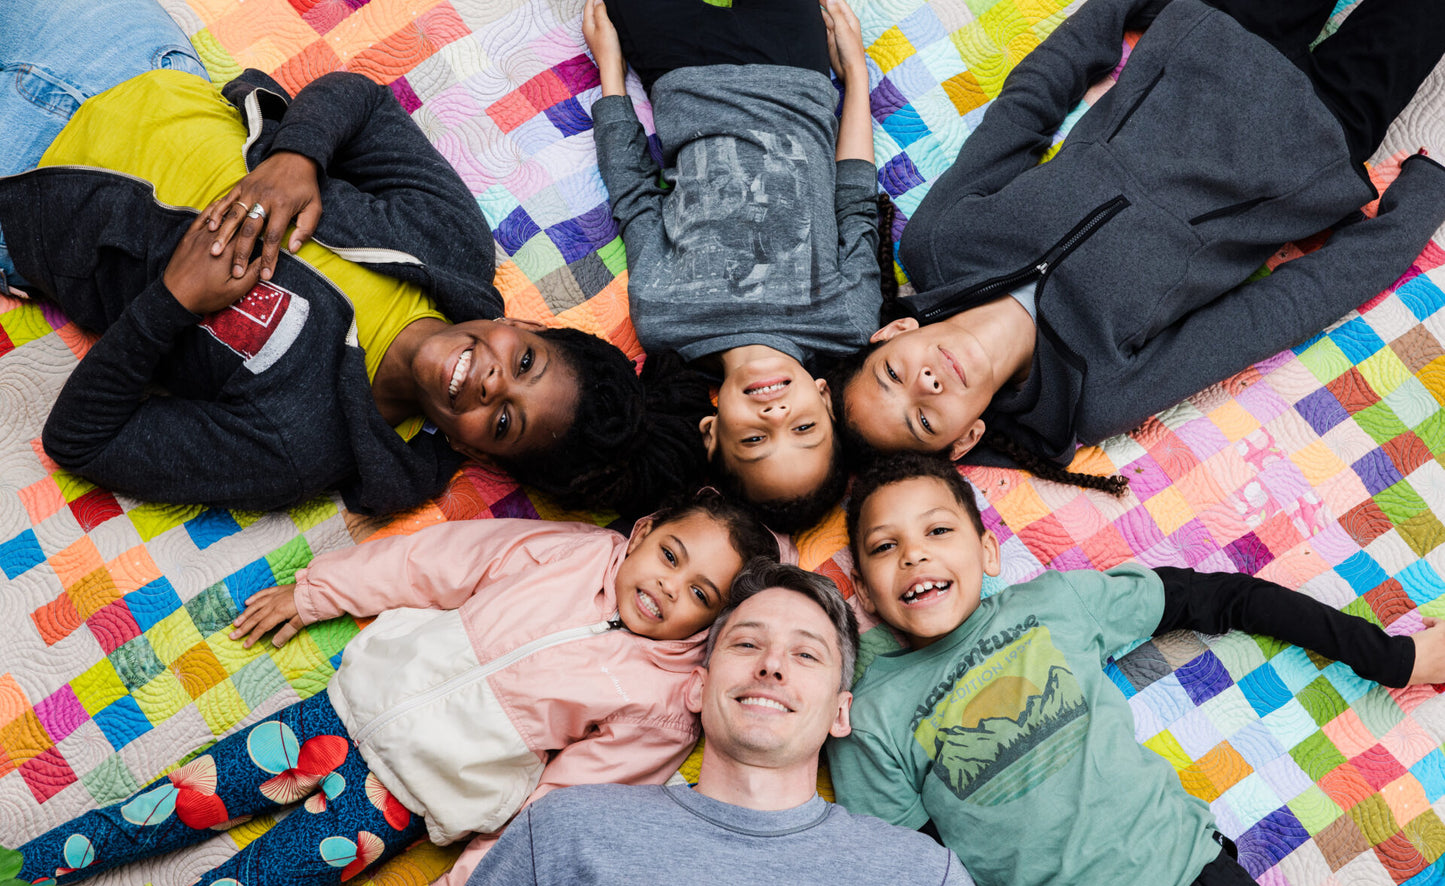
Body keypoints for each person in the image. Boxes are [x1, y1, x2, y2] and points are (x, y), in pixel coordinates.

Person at [0, 0, 711, 517]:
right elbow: (363, 102)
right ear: (524, 328)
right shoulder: (450, 244)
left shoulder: (297, 447)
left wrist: (172, 303)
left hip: (22, 193)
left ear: (476, 454)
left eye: (504, 423)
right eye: (524, 363)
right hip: (118, 54)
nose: (493, 383)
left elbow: (81, 440)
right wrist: (297, 157)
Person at [13, 492, 778, 886]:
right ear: (642, 530)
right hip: (334, 716)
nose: (667, 587)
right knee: (161, 808)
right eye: (670, 554)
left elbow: (562, 809)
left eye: (698, 593)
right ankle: (17, 878)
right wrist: (318, 591)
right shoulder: (567, 551)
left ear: (714, 623)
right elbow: (431, 561)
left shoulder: (663, 702)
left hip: (398, 803)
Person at [828, 454, 1445, 886]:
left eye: (938, 530)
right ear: (865, 592)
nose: (914, 555)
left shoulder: (1054, 603)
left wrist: (1396, 659)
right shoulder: (869, 716)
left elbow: (1226, 596)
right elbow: (914, 879)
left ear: (988, 552)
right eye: (885, 546)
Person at [832, 0, 1445, 491]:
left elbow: (1026, 108)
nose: (926, 383)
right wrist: (1419, 203)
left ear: (893, 333)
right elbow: (1275, 312)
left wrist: (1116, 8)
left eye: (892, 374)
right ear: (964, 439)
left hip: (1213, 39)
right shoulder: (1097, 394)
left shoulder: (939, 243)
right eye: (923, 420)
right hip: (1318, 136)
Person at [427, 559, 1004, 886]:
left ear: (840, 712)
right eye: (747, 644)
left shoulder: (923, 880)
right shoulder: (563, 830)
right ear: (697, 689)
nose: (772, 665)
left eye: (806, 655)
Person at [582, 0, 882, 532]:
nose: (776, 416)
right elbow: (856, 201)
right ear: (825, 399)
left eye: (755, 440)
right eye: (804, 429)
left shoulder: (666, 323)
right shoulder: (848, 323)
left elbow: (635, 197)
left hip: (680, 75)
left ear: (711, 432)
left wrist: (611, 72)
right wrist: (856, 76)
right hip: (796, 70)